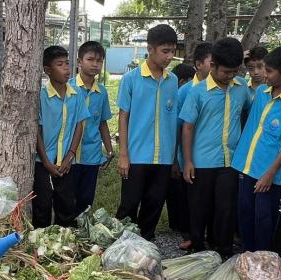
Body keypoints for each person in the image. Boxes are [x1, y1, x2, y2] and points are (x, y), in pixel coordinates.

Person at [180, 36, 250, 257]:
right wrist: (188, 161)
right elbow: (187, 128)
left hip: (230, 161)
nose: (229, 77)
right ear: (212, 66)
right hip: (202, 161)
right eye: (225, 72)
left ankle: (223, 248)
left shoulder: (241, 88)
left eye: (234, 72)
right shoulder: (198, 92)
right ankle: (199, 248)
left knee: (226, 207)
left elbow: (248, 111)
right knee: (200, 206)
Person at [233, 45, 281, 253]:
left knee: (264, 218)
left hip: (268, 172)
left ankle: (263, 259)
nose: (264, 74)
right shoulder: (261, 92)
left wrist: (271, 173)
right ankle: (247, 256)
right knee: (245, 213)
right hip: (247, 164)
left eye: (269, 71)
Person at [115, 23, 180, 239]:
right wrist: (123, 154)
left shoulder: (173, 81)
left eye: (173, 51)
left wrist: (174, 158)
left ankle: (145, 244)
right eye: (165, 51)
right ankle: (121, 244)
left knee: (154, 203)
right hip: (136, 155)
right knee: (129, 204)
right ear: (150, 48)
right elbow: (123, 116)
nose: (169, 56)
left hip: (163, 157)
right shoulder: (131, 79)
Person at [34, 45, 89, 228]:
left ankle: (63, 243)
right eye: (60, 64)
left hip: (67, 162)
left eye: (67, 63)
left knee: (66, 204)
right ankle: (39, 242)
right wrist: (47, 162)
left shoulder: (76, 94)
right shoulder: (41, 96)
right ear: (48, 70)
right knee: (42, 204)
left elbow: (79, 124)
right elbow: (37, 131)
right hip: (43, 162)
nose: (66, 68)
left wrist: (70, 155)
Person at [167, 45, 210, 242]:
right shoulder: (185, 91)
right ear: (199, 64)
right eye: (213, 62)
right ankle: (187, 233)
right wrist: (176, 160)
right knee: (186, 197)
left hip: (207, 157)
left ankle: (200, 231)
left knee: (204, 199)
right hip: (186, 157)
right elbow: (177, 126)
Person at [70, 40, 115, 216]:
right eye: (90, 59)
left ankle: (82, 228)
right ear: (80, 61)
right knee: (68, 196)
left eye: (99, 61)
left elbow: (102, 122)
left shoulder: (101, 92)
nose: (95, 64)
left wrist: (109, 149)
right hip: (69, 155)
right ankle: (66, 227)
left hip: (92, 154)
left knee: (86, 197)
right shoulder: (69, 88)